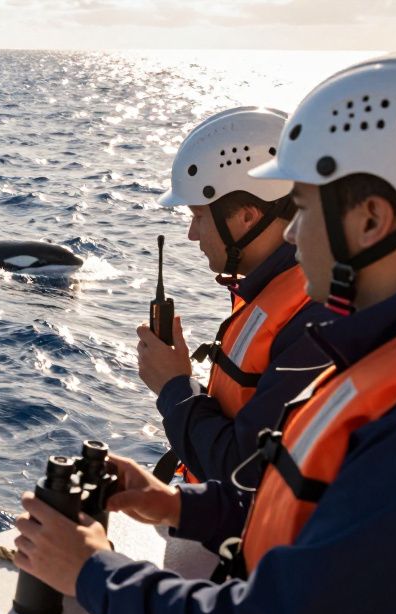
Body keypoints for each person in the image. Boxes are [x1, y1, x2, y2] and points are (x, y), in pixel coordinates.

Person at [15, 51, 396, 614]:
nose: (295, 233)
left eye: (303, 209)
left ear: (370, 220)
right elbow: (323, 507)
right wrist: (178, 504)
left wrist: (92, 574)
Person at [145, 107, 333, 492]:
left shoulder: (317, 318)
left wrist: (174, 387)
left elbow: (246, 473)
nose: (192, 234)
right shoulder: (280, 288)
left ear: (247, 217)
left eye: (198, 215)